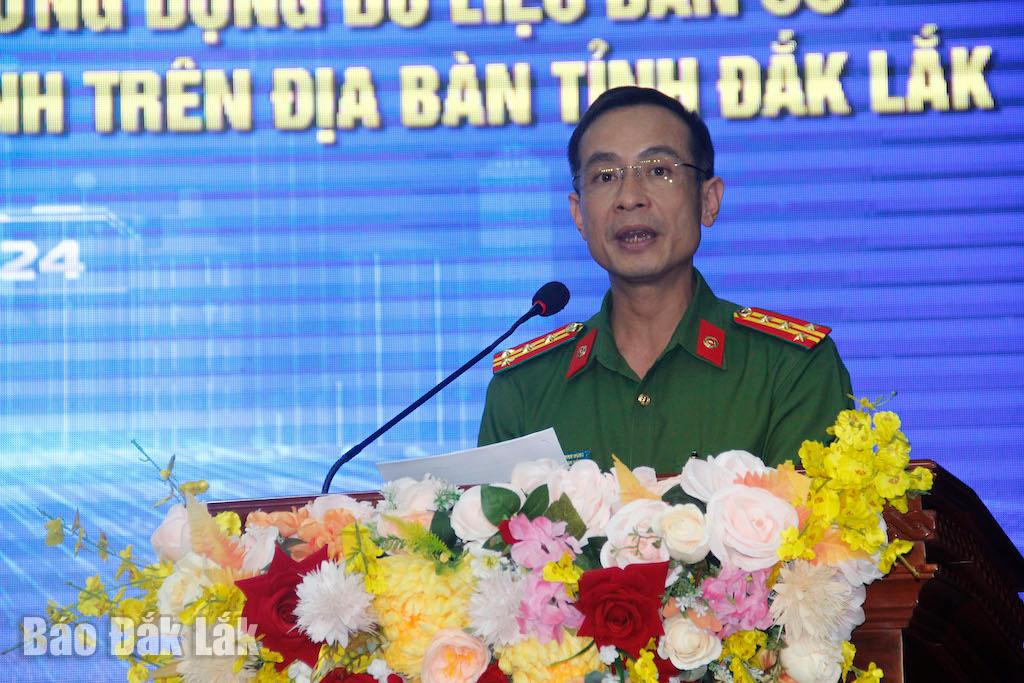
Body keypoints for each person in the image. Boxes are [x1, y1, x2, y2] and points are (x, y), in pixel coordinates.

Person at [478, 87, 852, 473]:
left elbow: (804, 512)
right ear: (578, 215)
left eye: (658, 170)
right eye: (605, 176)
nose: (629, 197)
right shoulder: (523, 389)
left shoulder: (791, 368)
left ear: (708, 200)